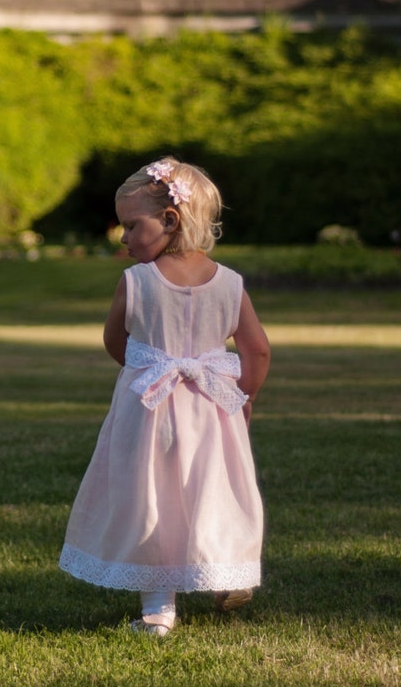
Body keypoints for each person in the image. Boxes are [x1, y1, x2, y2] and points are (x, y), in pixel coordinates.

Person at [59, 156, 271, 636]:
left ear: (170, 221)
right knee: (211, 493)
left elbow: (116, 341)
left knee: (153, 500)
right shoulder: (230, 284)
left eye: (132, 226)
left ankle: (159, 611)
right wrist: (242, 396)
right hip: (214, 413)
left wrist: (146, 368)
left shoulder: (136, 283)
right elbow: (257, 350)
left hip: (150, 413)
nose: (124, 237)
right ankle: (223, 575)